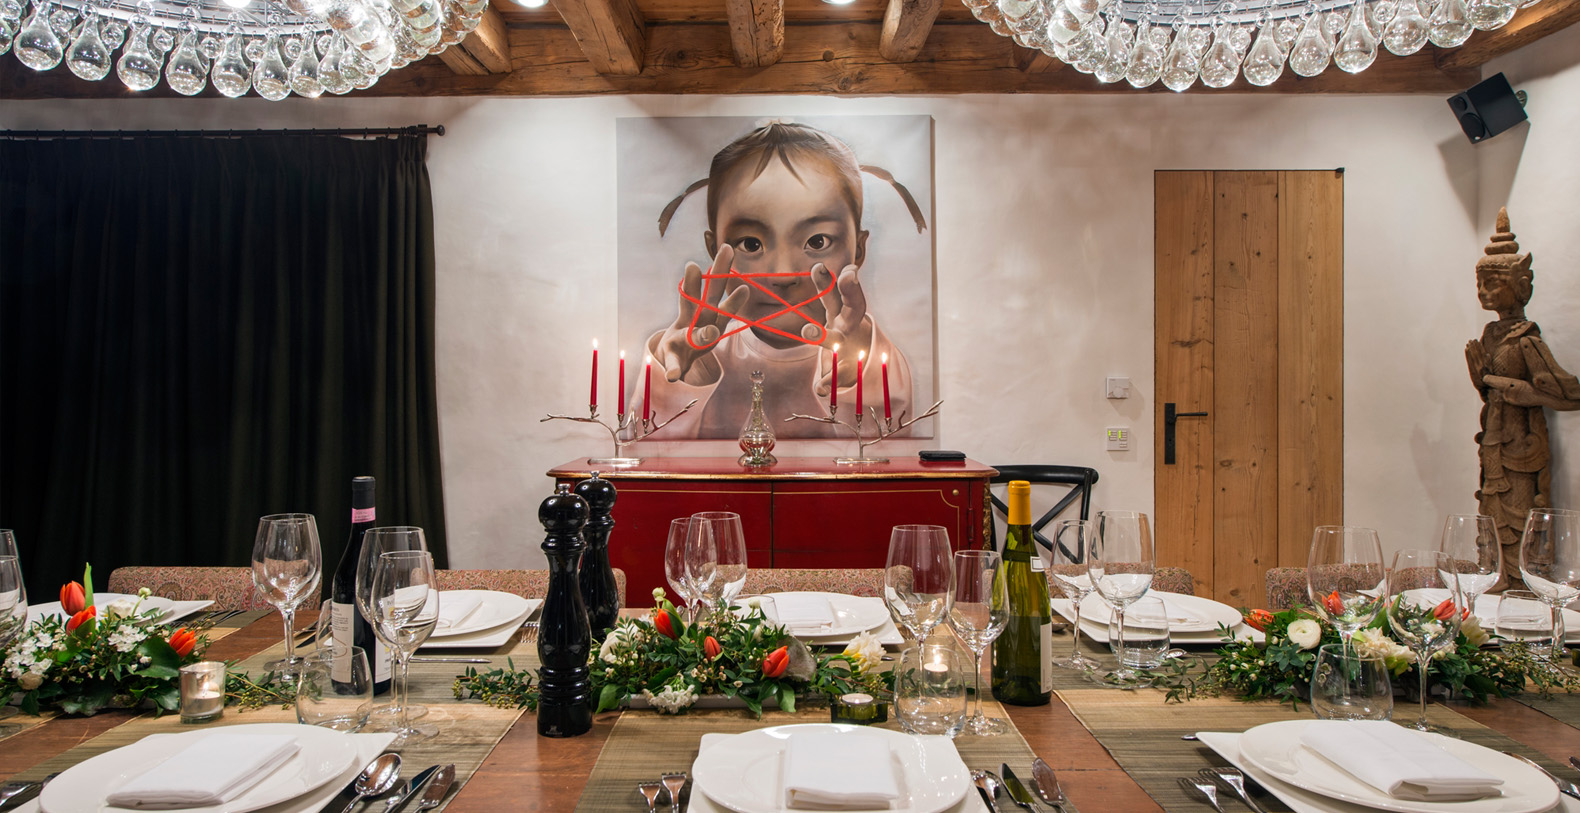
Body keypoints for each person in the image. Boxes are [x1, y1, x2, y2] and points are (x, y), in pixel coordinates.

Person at [640, 122, 928, 439]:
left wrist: (858, 381)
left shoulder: (873, 357)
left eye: (817, 241)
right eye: (751, 244)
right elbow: (643, 449)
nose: (784, 273)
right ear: (714, 249)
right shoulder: (697, 353)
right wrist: (680, 381)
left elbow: (890, 452)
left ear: (858, 249)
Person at [1464, 208, 1580, 589]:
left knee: (1520, 517)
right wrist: (1482, 382)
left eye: (1492, 284)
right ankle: (1496, 579)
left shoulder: (1527, 337)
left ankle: (1521, 584)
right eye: (1480, 284)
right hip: (1494, 444)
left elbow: (1557, 394)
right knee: (1492, 515)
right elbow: (1490, 390)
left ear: (1521, 285)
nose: (1484, 292)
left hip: (1521, 447)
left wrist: (1494, 381)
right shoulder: (1492, 333)